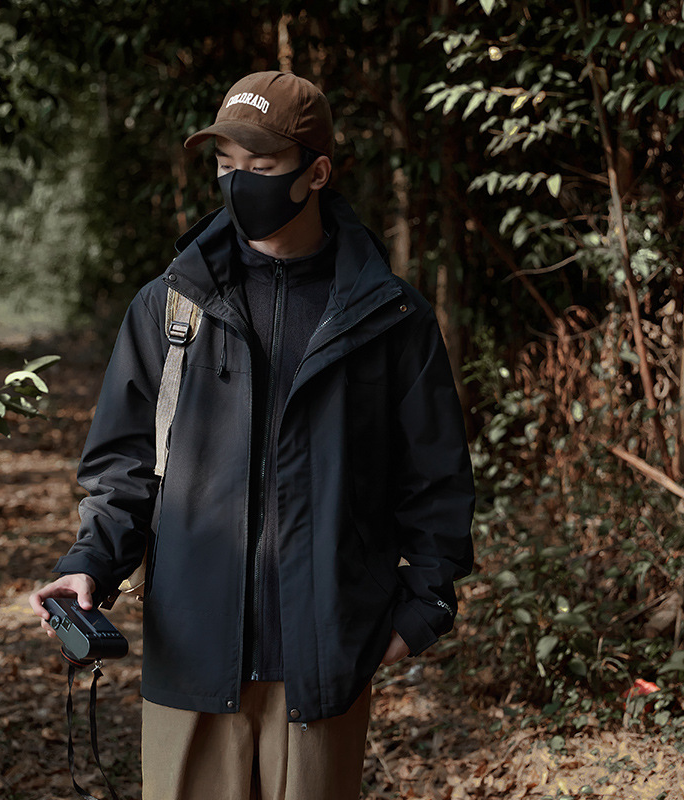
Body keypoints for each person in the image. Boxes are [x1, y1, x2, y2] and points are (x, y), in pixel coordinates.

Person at [30, 70, 475, 800]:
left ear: (317, 172)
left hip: (325, 658)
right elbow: (124, 466)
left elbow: (436, 475)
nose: (239, 184)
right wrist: (90, 563)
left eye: (261, 167)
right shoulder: (170, 308)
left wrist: (425, 603)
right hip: (193, 656)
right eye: (225, 165)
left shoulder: (390, 318)